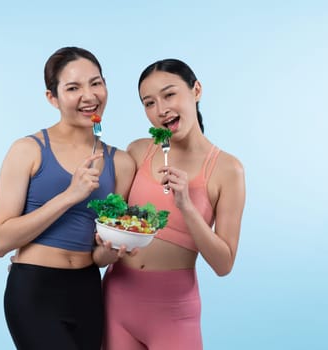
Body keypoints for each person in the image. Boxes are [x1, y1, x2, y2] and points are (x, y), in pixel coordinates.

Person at [0, 46, 135, 350]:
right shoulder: (27, 150)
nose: (89, 95)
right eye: (73, 88)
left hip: (87, 290)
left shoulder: (120, 162)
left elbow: (97, 254)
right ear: (51, 97)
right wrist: (69, 196)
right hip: (34, 290)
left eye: (96, 83)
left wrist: (112, 252)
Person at [99, 58, 246, 350]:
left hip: (174, 313)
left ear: (196, 90)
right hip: (117, 301)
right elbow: (107, 230)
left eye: (169, 95)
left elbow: (223, 264)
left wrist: (187, 206)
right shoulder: (140, 151)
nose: (161, 110)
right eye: (149, 103)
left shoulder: (227, 170)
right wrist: (42, 261)